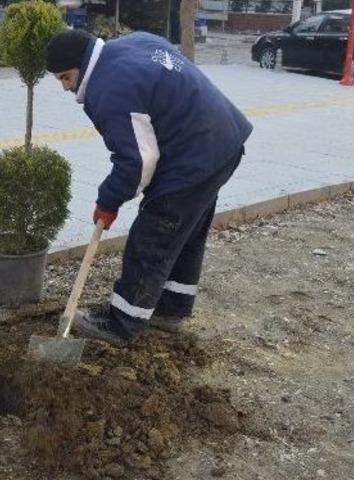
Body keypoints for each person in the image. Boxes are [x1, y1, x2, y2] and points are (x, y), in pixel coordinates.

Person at [45, 30, 253, 347]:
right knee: (185, 234)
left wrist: (108, 201)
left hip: (193, 159)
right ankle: (171, 310)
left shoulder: (109, 89)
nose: (65, 87)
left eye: (66, 77)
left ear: (82, 64)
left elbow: (137, 162)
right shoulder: (131, 43)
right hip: (223, 142)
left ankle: (121, 323)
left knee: (151, 239)